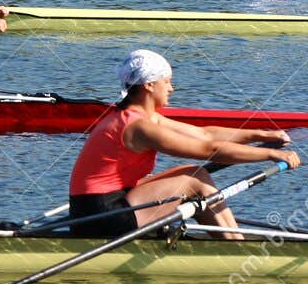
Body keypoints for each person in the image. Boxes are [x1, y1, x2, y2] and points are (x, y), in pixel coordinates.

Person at [67, 49, 298, 240]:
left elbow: (204, 135)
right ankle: (235, 248)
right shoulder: (139, 128)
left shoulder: (143, 117)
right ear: (149, 85)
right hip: (100, 218)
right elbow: (210, 150)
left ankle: (233, 241)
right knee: (192, 181)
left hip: (105, 207)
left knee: (193, 173)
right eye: (167, 82)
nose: (171, 88)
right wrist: (271, 155)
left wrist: (262, 134)